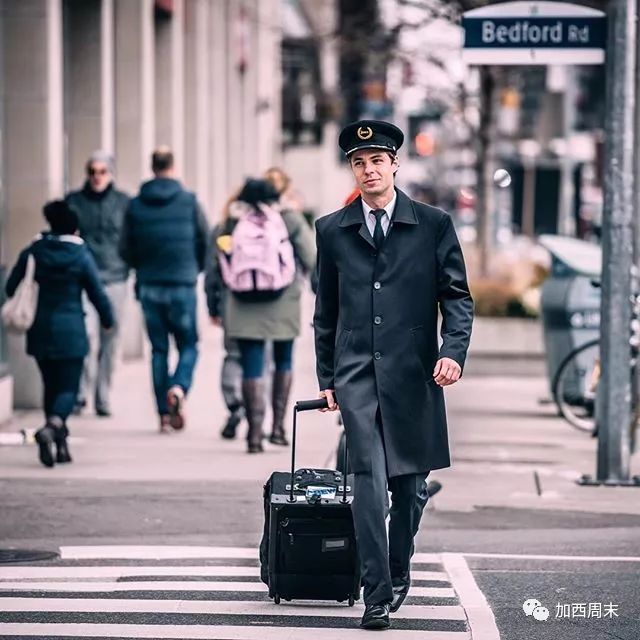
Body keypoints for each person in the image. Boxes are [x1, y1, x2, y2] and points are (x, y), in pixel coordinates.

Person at [313, 120, 473, 630]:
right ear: (352, 169)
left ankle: (399, 568)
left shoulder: (432, 224)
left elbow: (457, 298)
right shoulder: (331, 230)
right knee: (367, 482)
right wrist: (327, 375)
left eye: (377, 160)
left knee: (408, 490)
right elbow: (325, 310)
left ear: (395, 165)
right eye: (359, 162)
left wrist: (452, 352)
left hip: (414, 376)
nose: (368, 169)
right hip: (357, 374)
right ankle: (376, 592)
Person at [210, 178, 315, 453]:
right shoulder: (288, 219)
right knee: (283, 361)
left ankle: (254, 435)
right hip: (284, 302)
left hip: (243, 303)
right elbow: (312, 257)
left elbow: (217, 262)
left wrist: (214, 304)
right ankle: (278, 427)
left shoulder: (232, 222)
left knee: (251, 365)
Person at [5, 201, 114, 468]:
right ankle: (52, 428)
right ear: (74, 229)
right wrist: (109, 320)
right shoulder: (81, 256)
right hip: (71, 329)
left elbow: (10, 287)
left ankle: (61, 446)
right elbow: (97, 293)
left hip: (40, 328)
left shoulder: (34, 252)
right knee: (68, 387)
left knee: (50, 387)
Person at [119, 147, 209, 433]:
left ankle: (162, 414)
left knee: (158, 350)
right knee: (188, 345)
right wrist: (193, 269)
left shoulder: (135, 205)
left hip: (149, 286)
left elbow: (124, 248)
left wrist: (142, 268)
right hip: (182, 284)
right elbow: (205, 241)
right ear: (172, 166)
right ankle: (179, 387)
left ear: (152, 167)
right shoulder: (189, 201)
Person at [66, 151, 130, 417]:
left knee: (110, 339)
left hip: (115, 277)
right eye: (92, 171)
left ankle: (102, 394)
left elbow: (132, 238)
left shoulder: (124, 203)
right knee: (86, 336)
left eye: (102, 171)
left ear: (111, 173)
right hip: (84, 278)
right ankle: (81, 393)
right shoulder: (74, 202)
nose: (97, 177)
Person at [205, 191, 244, 440]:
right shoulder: (267, 224)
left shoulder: (223, 229)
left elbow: (212, 272)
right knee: (260, 360)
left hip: (231, 302)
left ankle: (234, 404)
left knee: (232, 355)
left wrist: (213, 307)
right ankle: (256, 409)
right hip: (264, 305)